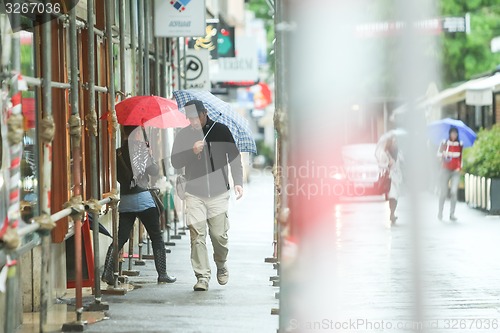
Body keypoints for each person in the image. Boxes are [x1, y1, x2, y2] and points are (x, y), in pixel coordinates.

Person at [171, 99, 243, 291]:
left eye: (195, 118)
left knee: (219, 236)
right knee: (197, 235)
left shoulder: (221, 130)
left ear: (204, 114)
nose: (193, 122)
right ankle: (202, 276)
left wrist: (238, 182)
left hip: (219, 193)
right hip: (194, 193)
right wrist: (191, 151)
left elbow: (234, 159)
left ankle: (221, 263)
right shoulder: (184, 135)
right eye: (189, 118)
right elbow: (175, 162)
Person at [102, 125, 176, 285]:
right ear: (136, 134)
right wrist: (150, 155)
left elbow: (118, 177)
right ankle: (162, 274)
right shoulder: (142, 150)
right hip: (144, 199)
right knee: (156, 237)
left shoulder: (118, 152)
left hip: (126, 201)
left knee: (120, 239)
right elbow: (154, 171)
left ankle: (107, 272)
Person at [376, 135, 403, 223]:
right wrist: (387, 164)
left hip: (397, 177)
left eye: (396, 142)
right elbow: (380, 165)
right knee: (392, 195)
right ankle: (392, 214)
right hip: (390, 177)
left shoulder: (398, 152)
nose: (395, 144)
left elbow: (402, 162)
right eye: (393, 142)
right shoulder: (385, 153)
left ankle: (393, 212)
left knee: (396, 197)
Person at [437, 127, 462, 221]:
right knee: (443, 192)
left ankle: (452, 214)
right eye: (452, 133)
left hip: (455, 171)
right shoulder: (444, 143)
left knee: (453, 191)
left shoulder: (460, 144)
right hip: (445, 169)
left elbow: (461, 158)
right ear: (449, 134)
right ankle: (440, 212)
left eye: (455, 133)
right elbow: (438, 154)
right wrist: (444, 154)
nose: (454, 135)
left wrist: (459, 167)